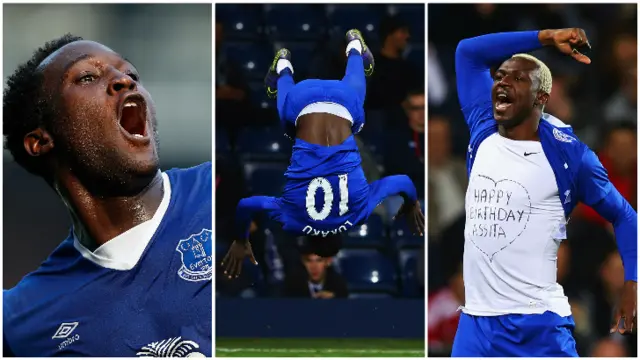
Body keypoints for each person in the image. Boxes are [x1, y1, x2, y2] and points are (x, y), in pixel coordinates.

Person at [2, 35, 211, 356]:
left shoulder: (219, 191)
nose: (124, 80)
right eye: (87, 77)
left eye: (132, 75)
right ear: (41, 140)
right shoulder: (19, 322)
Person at [452, 28, 637, 357]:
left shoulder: (571, 155)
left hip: (538, 326)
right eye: (501, 76)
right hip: (477, 324)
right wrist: (546, 37)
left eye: (518, 79)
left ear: (541, 97)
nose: (503, 83)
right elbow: (467, 50)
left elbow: (624, 215)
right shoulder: (483, 124)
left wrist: (632, 282)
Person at [221, 30, 424, 278]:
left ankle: (354, 52)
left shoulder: (357, 213)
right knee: (288, 123)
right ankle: (284, 68)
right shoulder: (294, 219)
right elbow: (247, 204)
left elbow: (402, 181)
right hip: (301, 99)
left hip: (343, 101)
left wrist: (411, 203)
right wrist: (241, 240)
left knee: (355, 108)